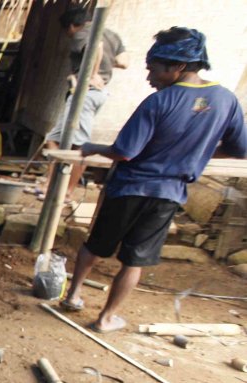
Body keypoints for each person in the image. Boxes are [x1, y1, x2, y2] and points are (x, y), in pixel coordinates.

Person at [60, 27, 246, 333]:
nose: (149, 77)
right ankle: (106, 318)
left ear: (178, 67)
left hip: (128, 189)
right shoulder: (225, 101)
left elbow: (124, 151)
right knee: (134, 260)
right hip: (168, 195)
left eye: (154, 69)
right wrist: (199, 150)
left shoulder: (159, 102)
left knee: (95, 244)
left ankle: (73, 295)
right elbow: (240, 149)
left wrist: (92, 147)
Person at [45, 6, 129, 197]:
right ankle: (49, 186)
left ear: (72, 26)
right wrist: (105, 64)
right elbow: (124, 62)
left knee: (79, 145)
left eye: (67, 32)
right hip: (96, 95)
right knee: (52, 139)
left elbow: (97, 46)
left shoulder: (82, 33)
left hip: (86, 94)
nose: (69, 35)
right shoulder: (112, 35)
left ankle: (66, 192)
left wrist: (92, 74)